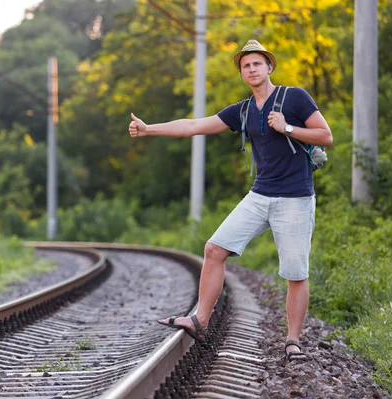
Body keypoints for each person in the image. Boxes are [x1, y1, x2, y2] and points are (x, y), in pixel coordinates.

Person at [128, 39, 332, 361]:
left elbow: (326, 136)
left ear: (269, 67)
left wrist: (287, 126)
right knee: (214, 249)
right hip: (260, 194)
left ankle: (292, 340)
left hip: (295, 198)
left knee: (295, 272)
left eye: (256, 64)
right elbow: (195, 126)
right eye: (245, 66)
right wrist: (149, 129)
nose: (251, 69)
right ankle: (199, 319)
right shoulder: (243, 110)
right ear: (241, 72)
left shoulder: (294, 97)